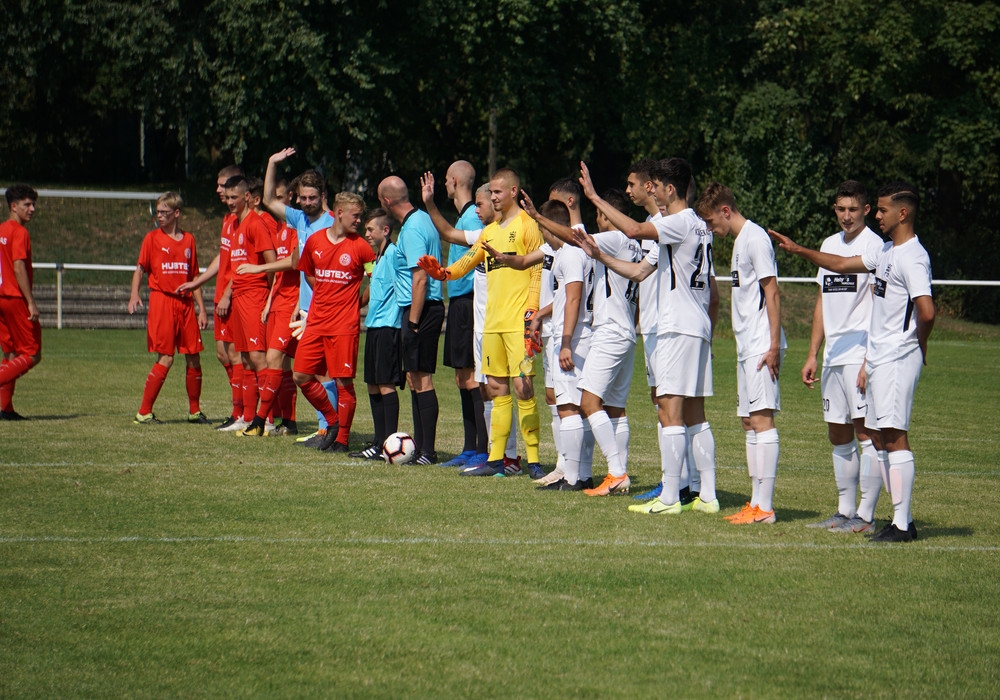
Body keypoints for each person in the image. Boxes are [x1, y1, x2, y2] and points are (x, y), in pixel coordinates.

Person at [769, 181, 935, 543]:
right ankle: (891, 519)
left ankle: (894, 522)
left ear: (902, 213)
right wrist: (798, 250)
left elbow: (926, 311)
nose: (878, 215)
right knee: (874, 435)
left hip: (890, 356)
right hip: (870, 357)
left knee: (890, 436)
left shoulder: (910, 255)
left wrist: (916, 345)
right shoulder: (887, 251)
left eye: (881, 209)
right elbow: (841, 264)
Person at [573, 159, 721, 512]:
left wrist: (594, 197)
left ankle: (670, 497)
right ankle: (708, 496)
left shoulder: (678, 221)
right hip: (695, 325)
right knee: (695, 414)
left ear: (670, 189)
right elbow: (640, 272)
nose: (653, 193)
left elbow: (634, 230)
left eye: (656, 186)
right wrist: (600, 255)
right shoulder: (697, 227)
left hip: (676, 327)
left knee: (669, 411)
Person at [418, 167, 544, 478]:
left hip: (517, 324)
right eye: (493, 193)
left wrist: (531, 313)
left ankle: (534, 461)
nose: (494, 198)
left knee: (523, 388)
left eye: (498, 192)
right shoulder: (489, 232)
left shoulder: (528, 225)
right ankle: (496, 460)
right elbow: (467, 261)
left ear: (512, 192)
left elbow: (537, 272)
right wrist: (443, 273)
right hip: (491, 324)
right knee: (497, 389)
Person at [525, 183, 644, 495]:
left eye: (601, 214)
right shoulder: (636, 245)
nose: (598, 220)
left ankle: (590, 474)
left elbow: (575, 240)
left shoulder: (613, 239)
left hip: (603, 330)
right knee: (614, 408)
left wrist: (538, 216)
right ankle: (599, 474)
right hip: (625, 331)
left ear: (609, 215)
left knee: (582, 404)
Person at [489, 198, 598, 490]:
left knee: (571, 406)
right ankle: (571, 469)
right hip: (563, 331)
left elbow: (573, 298)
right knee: (561, 401)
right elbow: (558, 292)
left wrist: (566, 342)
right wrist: (539, 314)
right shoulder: (562, 251)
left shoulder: (571, 253)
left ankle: (575, 475)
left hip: (571, 334)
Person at [694, 182, 785, 525]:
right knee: (748, 422)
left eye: (710, 220)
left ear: (725, 211)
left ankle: (765, 507)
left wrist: (773, 346)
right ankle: (755, 502)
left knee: (762, 421)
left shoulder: (756, 238)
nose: (709, 228)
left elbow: (772, 292)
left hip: (762, 344)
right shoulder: (738, 242)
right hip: (746, 346)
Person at [799, 181, 885, 533]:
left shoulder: (875, 247)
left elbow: (881, 307)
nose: (846, 216)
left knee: (866, 433)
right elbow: (822, 300)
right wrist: (813, 353)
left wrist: (869, 359)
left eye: (852, 209)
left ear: (866, 210)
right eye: (840, 209)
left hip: (860, 353)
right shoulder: (828, 245)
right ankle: (844, 511)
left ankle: (865, 516)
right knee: (838, 432)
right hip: (833, 355)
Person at [420, 175, 512, 470]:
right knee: (472, 381)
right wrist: (443, 273)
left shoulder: (509, 231)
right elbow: (452, 240)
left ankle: (494, 452)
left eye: (483, 203)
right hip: (473, 312)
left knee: (489, 383)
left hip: (490, 315)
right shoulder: (484, 233)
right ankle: (478, 449)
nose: (477, 209)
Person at [261, 148, 339, 447]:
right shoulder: (299, 219)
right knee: (309, 372)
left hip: (326, 308)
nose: (307, 202)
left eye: (312, 198)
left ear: (322, 196)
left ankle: (329, 430)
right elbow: (268, 201)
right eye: (303, 198)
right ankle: (326, 428)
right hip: (307, 309)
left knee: (320, 372)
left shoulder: (332, 223)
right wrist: (272, 162)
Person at [292, 192, 375, 451]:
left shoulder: (361, 247)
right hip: (316, 322)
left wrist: (356, 303)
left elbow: (376, 279)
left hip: (344, 326)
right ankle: (333, 421)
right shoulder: (315, 241)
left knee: (343, 381)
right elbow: (308, 273)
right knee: (301, 375)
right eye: (355, 215)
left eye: (361, 216)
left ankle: (342, 440)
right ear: (339, 213)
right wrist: (324, 291)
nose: (359, 221)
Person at [378, 175, 446, 464]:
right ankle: (420, 449)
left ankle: (428, 451)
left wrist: (413, 323)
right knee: (414, 378)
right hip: (419, 309)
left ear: (387, 201)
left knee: (423, 379)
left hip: (422, 310)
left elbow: (420, 279)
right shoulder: (418, 221)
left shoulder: (414, 227)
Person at [127, 192, 210, 424]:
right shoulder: (152, 239)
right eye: (158, 212)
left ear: (177, 213)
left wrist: (201, 309)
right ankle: (144, 412)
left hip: (185, 304)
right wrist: (134, 294)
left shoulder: (189, 240)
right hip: (162, 302)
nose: (159, 216)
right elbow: (140, 269)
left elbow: (194, 277)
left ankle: (194, 411)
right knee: (166, 357)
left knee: (194, 357)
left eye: (164, 212)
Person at [177, 165, 245, 429]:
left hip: (235, 295)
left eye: (223, 184)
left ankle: (241, 412)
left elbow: (243, 262)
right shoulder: (228, 219)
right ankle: (241, 406)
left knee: (236, 355)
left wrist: (228, 293)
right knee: (222, 354)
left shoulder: (244, 220)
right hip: (222, 294)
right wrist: (199, 281)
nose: (218, 190)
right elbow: (224, 256)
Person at [235, 177, 299, 436]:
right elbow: (281, 273)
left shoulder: (297, 228)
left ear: (291, 198)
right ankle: (289, 422)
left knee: (276, 361)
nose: (276, 204)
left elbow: (294, 263)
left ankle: (262, 421)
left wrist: (258, 269)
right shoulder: (279, 228)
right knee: (283, 366)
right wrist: (270, 300)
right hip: (277, 301)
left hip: (292, 302)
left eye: (280, 198)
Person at [437, 161, 489, 467]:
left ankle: (482, 448)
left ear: (455, 181)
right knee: (461, 377)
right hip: (458, 303)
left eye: (446, 179)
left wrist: (428, 203)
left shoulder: (473, 217)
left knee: (472, 377)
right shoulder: (465, 216)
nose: (445, 184)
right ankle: (470, 447)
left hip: (470, 302)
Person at [220, 176, 276, 433]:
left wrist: (268, 296)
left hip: (255, 295)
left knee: (257, 357)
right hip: (240, 296)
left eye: (234, 197)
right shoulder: (235, 224)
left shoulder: (255, 223)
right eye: (227, 197)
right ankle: (247, 417)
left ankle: (269, 420)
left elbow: (271, 263)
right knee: (244, 358)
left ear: (246, 197)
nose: (230, 202)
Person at [350, 208, 403, 459]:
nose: (367, 234)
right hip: (373, 326)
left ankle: (388, 444)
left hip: (388, 327)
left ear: (385, 230)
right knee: (372, 384)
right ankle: (377, 441)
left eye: (370, 229)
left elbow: (404, 288)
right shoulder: (377, 257)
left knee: (385, 384)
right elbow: (374, 287)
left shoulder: (393, 255)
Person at [0, 184, 42, 419]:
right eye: (27, 204)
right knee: (32, 354)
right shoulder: (19, 232)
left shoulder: (1, 230)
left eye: (33, 204)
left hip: (1, 299)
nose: (32, 209)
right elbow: (18, 267)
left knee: (12, 354)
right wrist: (31, 301)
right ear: (13, 206)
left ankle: (6, 409)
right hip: (15, 299)